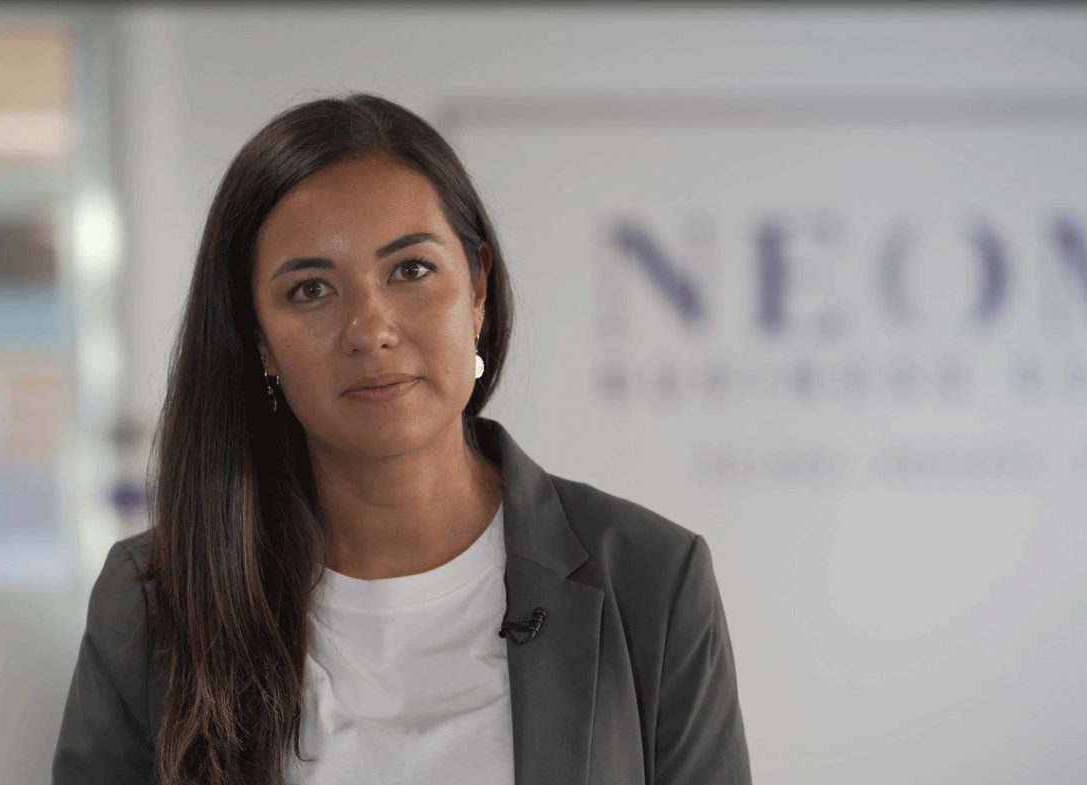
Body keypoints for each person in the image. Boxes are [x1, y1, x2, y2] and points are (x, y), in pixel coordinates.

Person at [52, 93, 750, 785]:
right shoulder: (152, 600)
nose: (371, 329)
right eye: (310, 290)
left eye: (411, 270)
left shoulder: (652, 578)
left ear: (477, 289)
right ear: (259, 339)